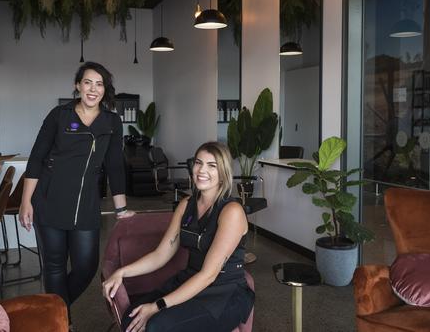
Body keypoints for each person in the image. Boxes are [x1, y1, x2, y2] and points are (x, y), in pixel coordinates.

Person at [19, 61, 134, 317]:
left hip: (86, 205)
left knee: (86, 266)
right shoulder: (59, 116)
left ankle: (53, 312)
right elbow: (36, 158)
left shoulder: (112, 122)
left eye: (99, 84)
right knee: (55, 267)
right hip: (49, 200)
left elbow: (115, 166)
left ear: (105, 89)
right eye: (87, 82)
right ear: (77, 86)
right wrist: (26, 202)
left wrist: (121, 209)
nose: (93, 89)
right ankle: (62, 321)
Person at [102, 142, 255, 332]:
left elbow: (208, 275)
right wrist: (122, 272)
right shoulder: (186, 205)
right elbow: (161, 254)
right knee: (131, 319)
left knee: (156, 325)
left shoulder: (232, 211)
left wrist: (157, 306)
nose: (201, 170)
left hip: (224, 293)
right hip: (189, 281)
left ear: (223, 173)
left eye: (212, 165)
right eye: (198, 163)